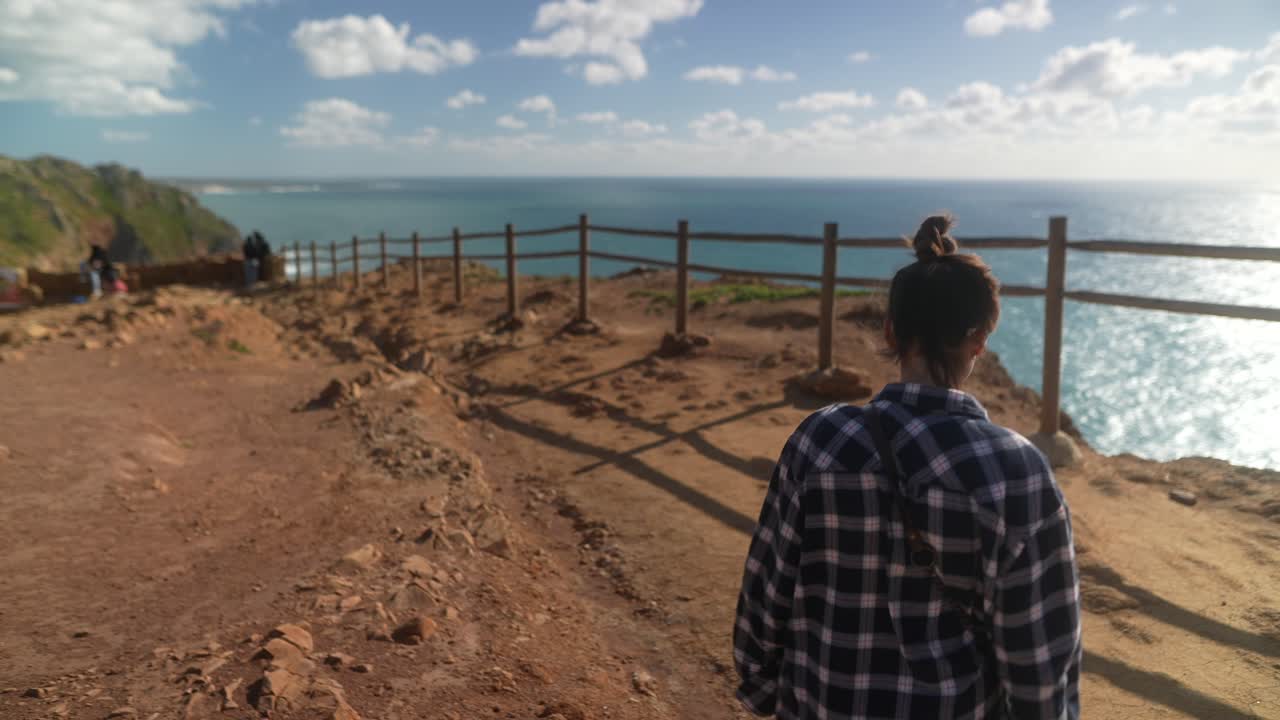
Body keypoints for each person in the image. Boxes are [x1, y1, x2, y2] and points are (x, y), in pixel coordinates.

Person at [734, 215, 1081, 719]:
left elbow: (767, 591)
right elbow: (1041, 660)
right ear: (979, 341)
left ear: (892, 331)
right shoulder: (1018, 472)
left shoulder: (819, 440)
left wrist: (762, 689)